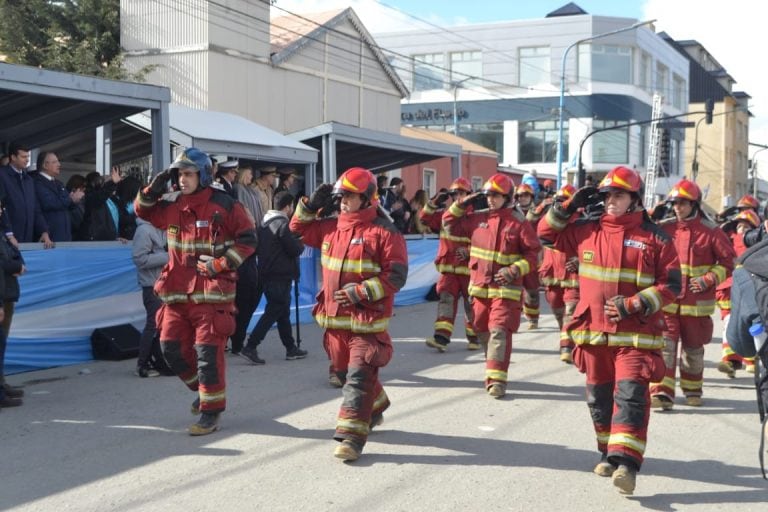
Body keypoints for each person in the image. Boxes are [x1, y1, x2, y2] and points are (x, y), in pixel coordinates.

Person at [538, 165, 681, 495]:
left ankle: (627, 465)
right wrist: (567, 207)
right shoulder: (585, 229)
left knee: (630, 397)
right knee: (599, 400)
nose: (611, 201)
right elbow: (546, 234)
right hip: (593, 335)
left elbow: (672, 285)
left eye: (618, 195)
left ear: (634, 199)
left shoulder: (656, 238)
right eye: (607, 195)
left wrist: (635, 304)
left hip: (635, 337)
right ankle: (608, 452)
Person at [134, 147, 257, 436]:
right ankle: (204, 391)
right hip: (177, 295)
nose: (182, 179)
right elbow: (141, 210)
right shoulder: (172, 204)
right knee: (171, 350)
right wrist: (154, 186)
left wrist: (221, 264)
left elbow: (249, 240)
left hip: (210, 296)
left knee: (207, 354)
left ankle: (210, 412)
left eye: (188, 174)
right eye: (179, 174)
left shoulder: (225, 205)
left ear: (202, 175)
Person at [289, 167, 408, 461]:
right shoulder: (331, 227)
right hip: (335, 324)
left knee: (357, 376)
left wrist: (361, 291)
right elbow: (297, 230)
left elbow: (396, 276)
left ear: (367, 199)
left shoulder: (384, 232)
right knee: (346, 374)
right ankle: (376, 403)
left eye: (350, 196)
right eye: (341, 196)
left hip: (367, 324)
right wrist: (310, 206)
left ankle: (352, 438)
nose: (343, 201)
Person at [443, 174, 541, 399]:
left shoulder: (518, 222)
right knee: (482, 329)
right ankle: (493, 365)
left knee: (499, 330)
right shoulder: (476, 219)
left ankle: (496, 380)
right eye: (488, 195)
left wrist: (514, 270)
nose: (490, 200)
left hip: (505, 290)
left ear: (507, 197)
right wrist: (461, 204)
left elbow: (534, 254)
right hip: (479, 289)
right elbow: (448, 224)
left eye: (496, 195)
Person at [649, 179, 736, 410]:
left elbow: (728, 261)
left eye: (683, 203)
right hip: (667, 302)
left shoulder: (710, 231)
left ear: (695, 204)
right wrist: (650, 216)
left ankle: (692, 390)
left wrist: (709, 278)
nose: (678, 207)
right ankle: (662, 393)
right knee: (664, 348)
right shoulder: (663, 228)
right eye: (675, 203)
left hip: (695, 305)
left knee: (693, 350)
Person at [240, 191, 306, 364]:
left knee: (282, 312)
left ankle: (290, 348)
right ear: (288, 206)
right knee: (274, 311)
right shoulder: (283, 224)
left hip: (266, 273)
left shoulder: (263, 223)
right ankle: (251, 345)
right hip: (280, 274)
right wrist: (300, 241)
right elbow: (294, 249)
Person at [421, 177, 480, 352]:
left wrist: (470, 251)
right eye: (455, 194)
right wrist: (433, 202)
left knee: (471, 305)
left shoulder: (475, 218)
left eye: (461, 193)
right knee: (446, 301)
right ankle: (441, 337)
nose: (457, 197)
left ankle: (475, 338)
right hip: (448, 270)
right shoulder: (444, 215)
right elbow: (423, 219)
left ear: (469, 195)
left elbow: (485, 240)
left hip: (468, 271)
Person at [536, 184, 579, 363]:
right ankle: (568, 334)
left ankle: (566, 346)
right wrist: (541, 206)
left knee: (571, 310)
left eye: (566, 201)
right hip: (553, 272)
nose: (563, 205)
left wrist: (580, 260)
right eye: (560, 201)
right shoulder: (550, 218)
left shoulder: (582, 220)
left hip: (573, 275)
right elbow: (536, 224)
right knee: (557, 308)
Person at [717, 209, 760, 377]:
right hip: (728, 289)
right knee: (729, 323)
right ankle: (731, 360)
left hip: (750, 289)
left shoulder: (758, 245)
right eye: (740, 225)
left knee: (751, 324)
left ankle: (751, 360)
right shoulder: (727, 241)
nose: (742, 229)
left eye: (747, 226)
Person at [230, 163, 263, 355]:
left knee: (247, 302)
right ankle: (237, 342)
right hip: (244, 264)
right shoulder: (239, 192)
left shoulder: (249, 192)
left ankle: (237, 341)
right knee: (243, 302)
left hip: (249, 262)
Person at [131, 214, 169, 378]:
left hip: (166, 284)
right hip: (152, 285)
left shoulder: (164, 229)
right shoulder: (144, 230)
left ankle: (159, 360)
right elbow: (140, 259)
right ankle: (142, 364)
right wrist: (168, 256)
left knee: (164, 325)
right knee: (153, 325)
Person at [0, 142, 54, 248]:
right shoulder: (2, 176)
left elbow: (35, 208)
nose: (27, 159)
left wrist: (44, 231)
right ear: (13, 157)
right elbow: (1, 206)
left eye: (28, 156)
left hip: (26, 239)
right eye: (23, 157)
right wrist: (9, 234)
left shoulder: (29, 180)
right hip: (6, 241)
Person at [0, 197, 25, 408]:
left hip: (7, 292)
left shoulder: (3, 233)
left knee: (3, 342)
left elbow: (14, 252)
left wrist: (18, 264)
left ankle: (2, 383)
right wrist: (14, 267)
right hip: (3, 293)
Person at [32, 151, 83, 242]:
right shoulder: (37, 183)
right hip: (50, 238)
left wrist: (75, 200)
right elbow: (49, 203)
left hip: (65, 236)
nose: (59, 164)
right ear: (45, 165)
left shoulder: (59, 183)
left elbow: (66, 204)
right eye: (55, 162)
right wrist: (70, 199)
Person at [514, 183, 542, 330]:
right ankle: (514, 321)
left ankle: (532, 318)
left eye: (526, 195)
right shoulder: (512, 211)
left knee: (531, 290)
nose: (523, 198)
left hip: (532, 255)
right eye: (520, 196)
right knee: (514, 292)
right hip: (514, 255)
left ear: (531, 197)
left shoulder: (539, 211)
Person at [79, 167, 123, 241]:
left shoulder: (110, 199)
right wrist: (112, 183)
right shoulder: (91, 197)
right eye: (106, 180)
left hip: (110, 239)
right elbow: (100, 196)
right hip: (95, 241)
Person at [66, 174, 87, 240]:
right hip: (73, 239)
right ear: (74, 189)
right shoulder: (66, 200)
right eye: (82, 188)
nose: (84, 191)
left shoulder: (82, 202)